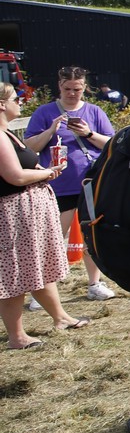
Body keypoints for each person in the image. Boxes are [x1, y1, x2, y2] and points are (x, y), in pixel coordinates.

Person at [2, 83, 92, 349]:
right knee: (16, 273)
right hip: (13, 213)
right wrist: (47, 173)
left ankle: (60, 317)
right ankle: (17, 337)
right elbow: (15, 176)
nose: (20, 101)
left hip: (25, 210)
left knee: (36, 266)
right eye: (16, 98)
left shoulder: (7, 133)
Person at [24, 64, 118, 300]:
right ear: (60, 86)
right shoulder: (45, 112)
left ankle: (95, 283)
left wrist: (88, 134)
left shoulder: (94, 112)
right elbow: (30, 146)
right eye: (68, 89)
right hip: (59, 186)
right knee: (53, 238)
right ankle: (43, 292)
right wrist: (51, 130)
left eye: (77, 89)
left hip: (90, 183)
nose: (72, 93)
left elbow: (111, 144)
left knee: (92, 235)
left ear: (84, 87)